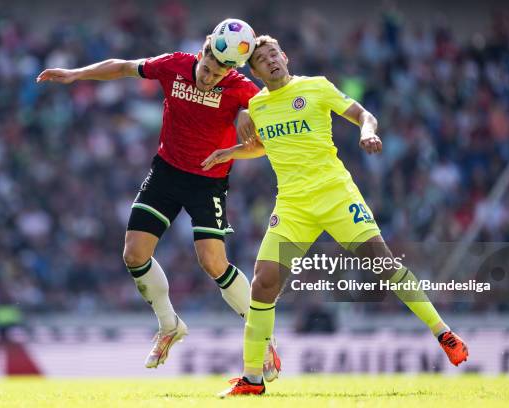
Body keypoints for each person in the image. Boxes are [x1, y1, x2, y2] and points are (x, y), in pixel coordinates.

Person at [201, 35, 469, 397]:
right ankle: (252, 378)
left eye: (274, 54)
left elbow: (362, 114)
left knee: (383, 265)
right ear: (255, 71)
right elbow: (267, 146)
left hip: (335, 194)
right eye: (262, 60)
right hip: (293, 205)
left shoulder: (316, 87)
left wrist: (367, 132)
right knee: (263, 282)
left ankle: (444, 333)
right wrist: (230, 152)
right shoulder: (258, 105)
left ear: (285, 56)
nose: (271, 61)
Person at [36, 33, 280, 375]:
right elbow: (121, 67)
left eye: (217, 76)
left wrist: (238, 135)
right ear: (201, 53)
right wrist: (77, 74)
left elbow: (264, 146)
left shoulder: (243, 90)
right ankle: (169, 325)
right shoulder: (174, 65)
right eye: (207, 69)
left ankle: (263, 338)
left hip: (208, 180)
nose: (209, 79)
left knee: (212, 262)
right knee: (134, 254)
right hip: (166, 172)